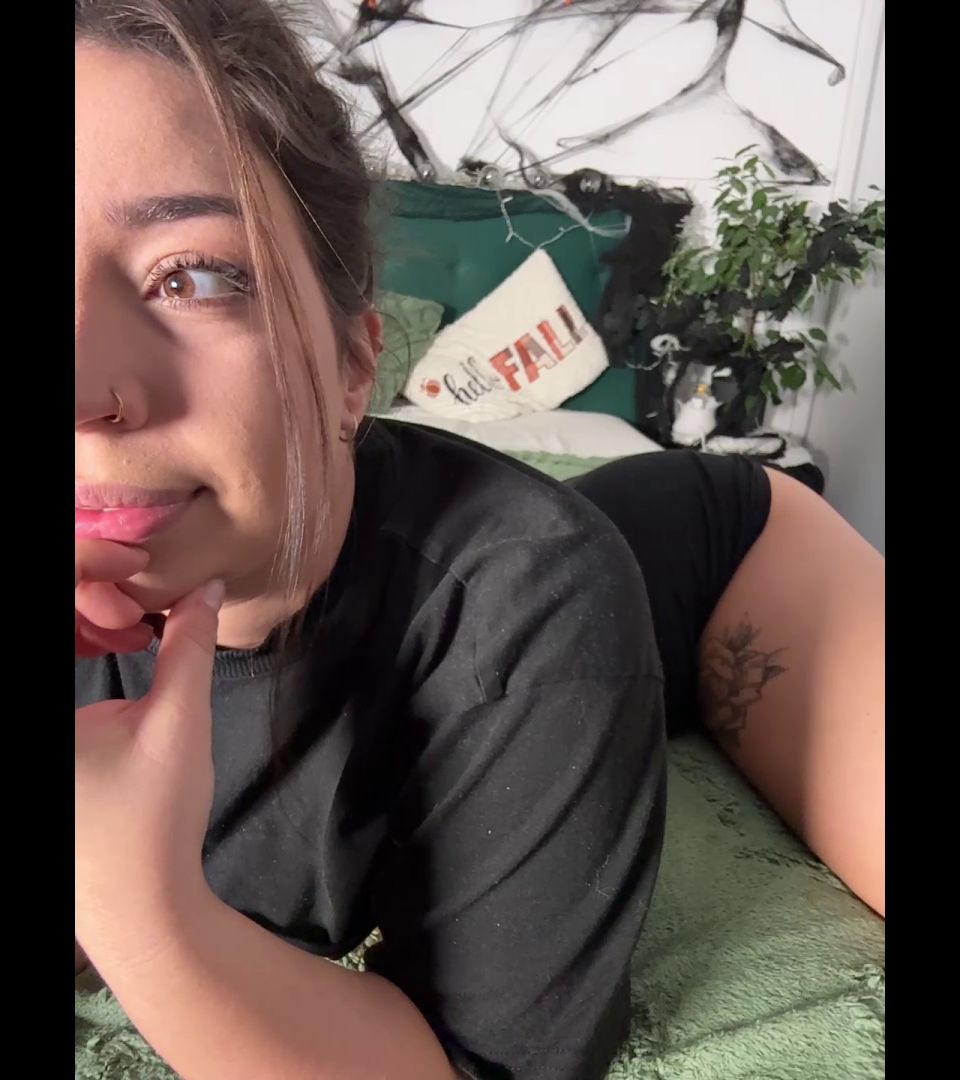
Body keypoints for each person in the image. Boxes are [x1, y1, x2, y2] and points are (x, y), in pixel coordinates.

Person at [74, 2, 884, 1078]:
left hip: (728, 555)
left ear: (352, 369)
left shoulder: (533, 594)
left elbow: (487, 1066)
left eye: (193, 276)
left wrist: (140, 912)